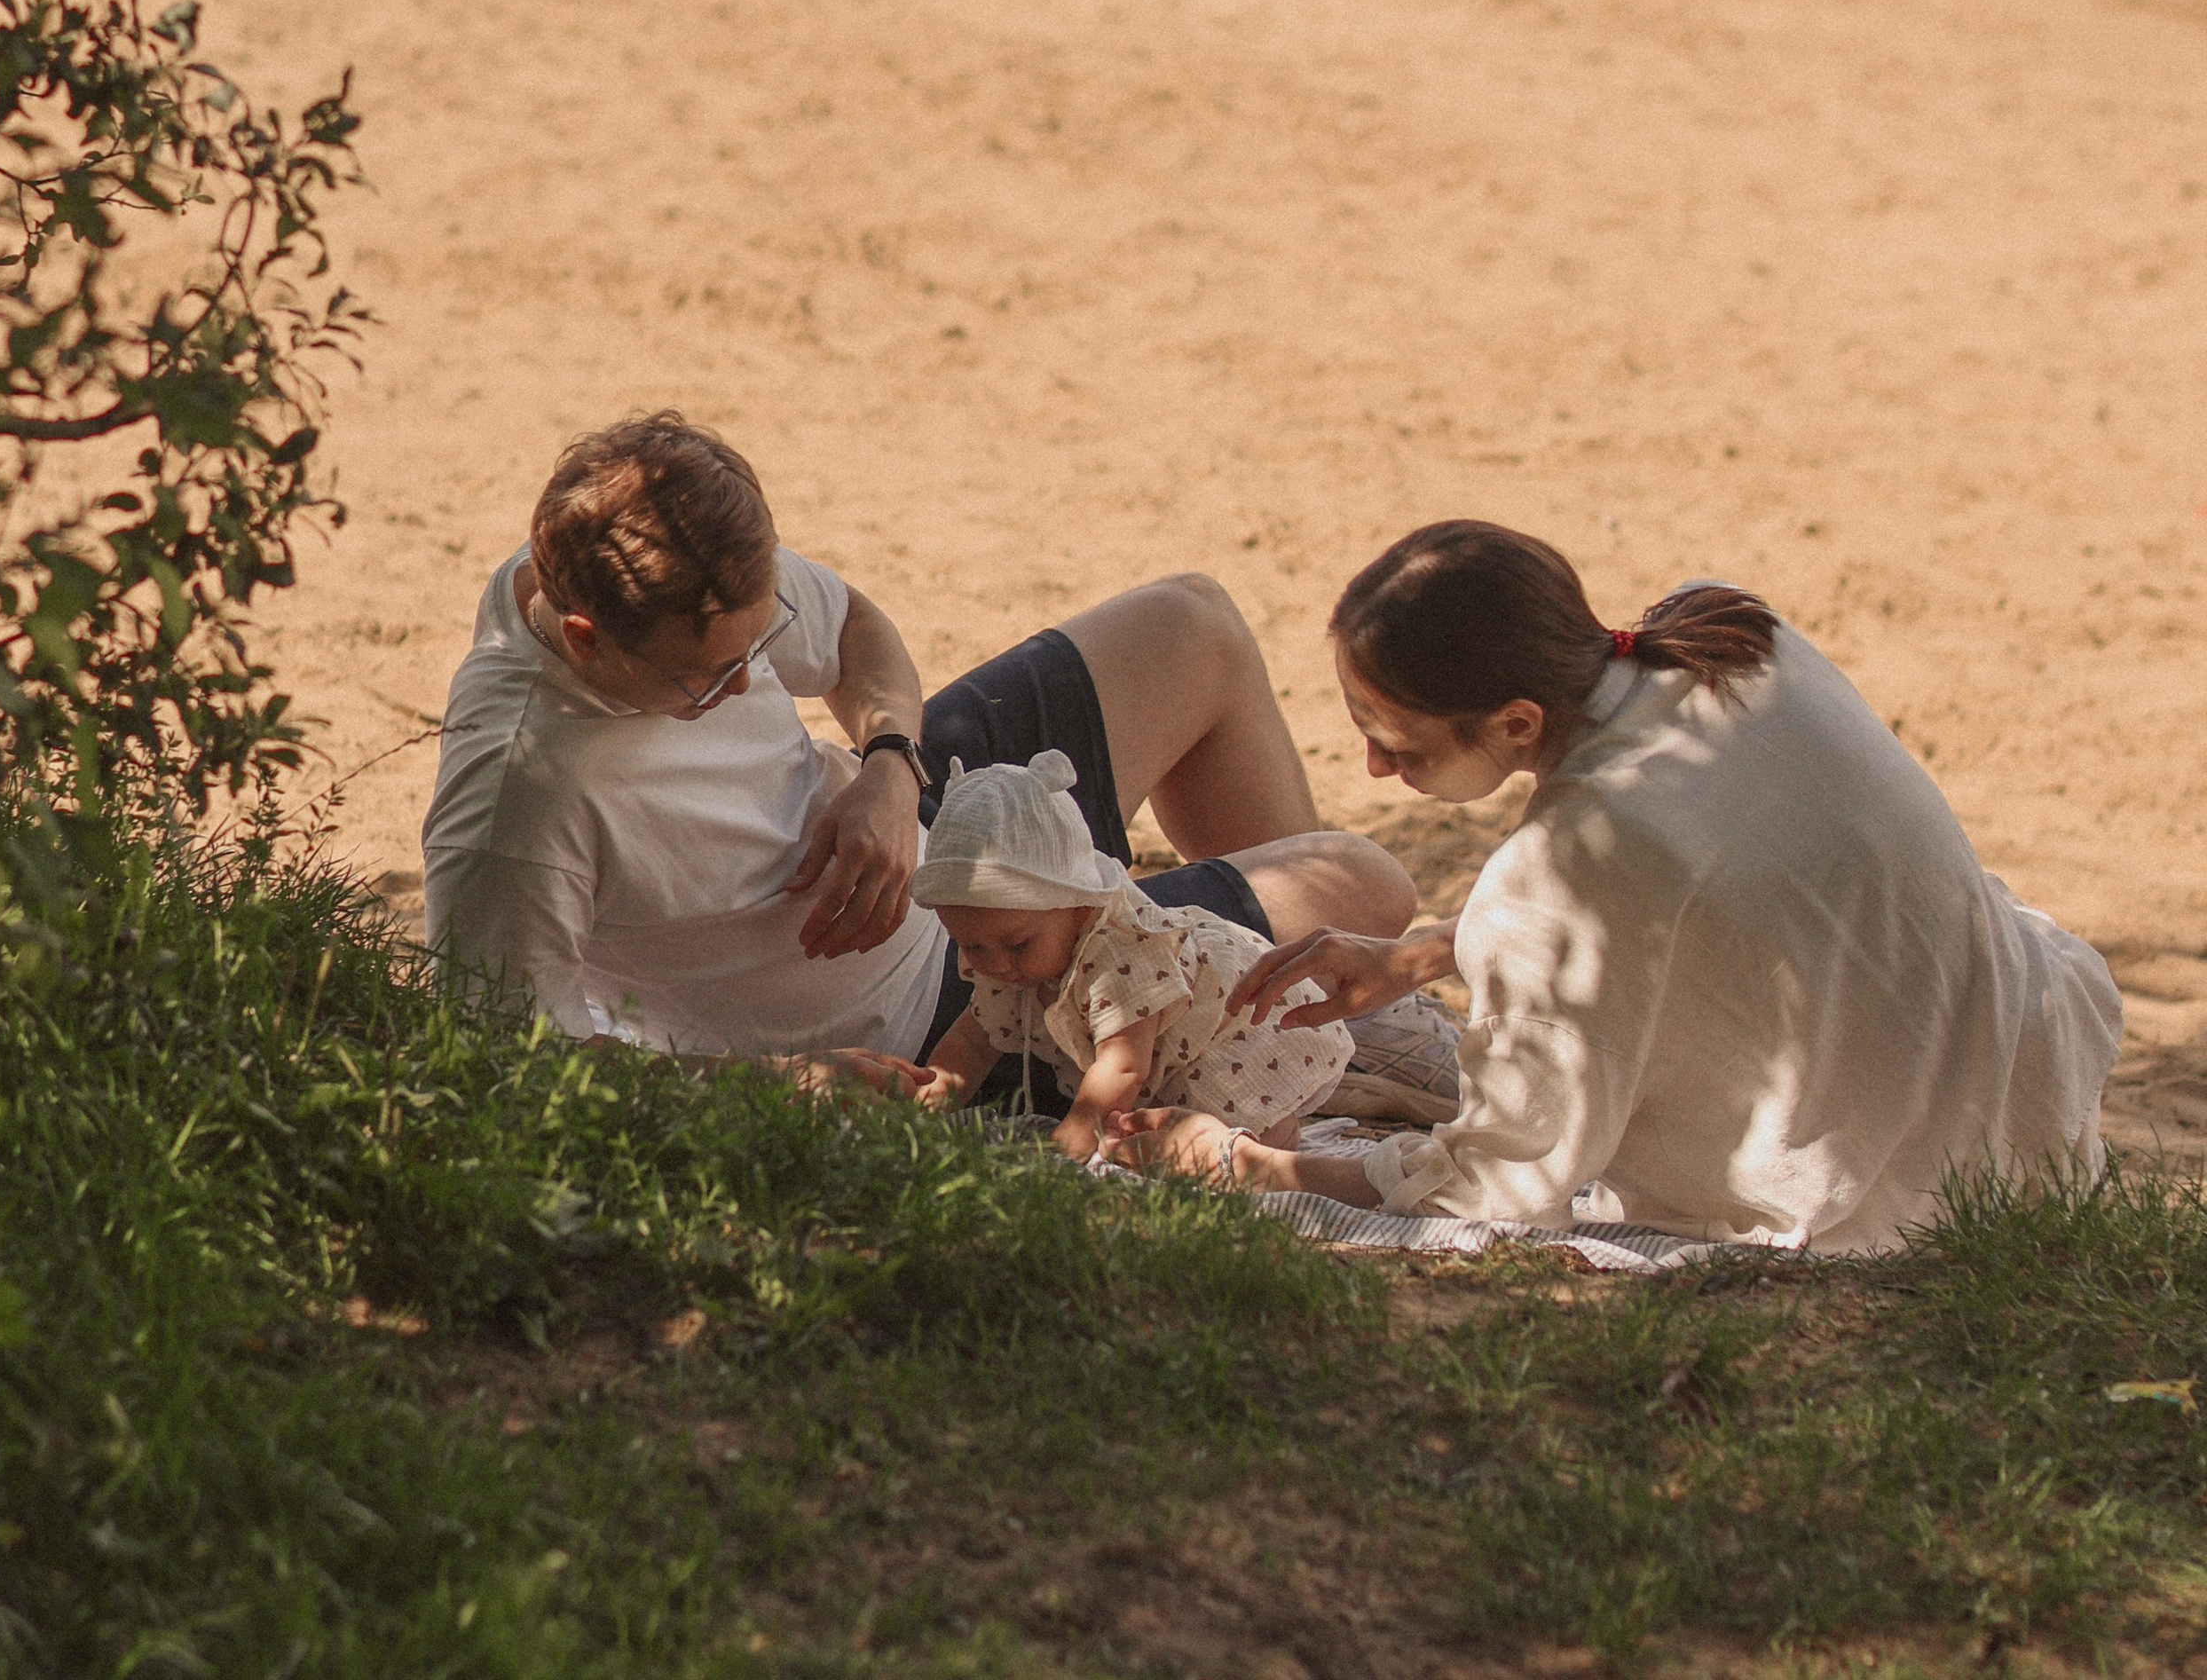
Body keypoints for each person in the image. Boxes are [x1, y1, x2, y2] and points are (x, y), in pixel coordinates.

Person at [1110, 523, 2123, 1254]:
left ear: (1514, 723)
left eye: (1400, 748)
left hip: (1909, 1198)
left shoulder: (1562, 872)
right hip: (2020, 1091)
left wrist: (1253, 1166)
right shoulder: (1730, 631)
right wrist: (1422, 955)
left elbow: (1494, 1188)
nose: (1376, 772)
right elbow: (1694, 890)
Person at [420, 410, 1415, 1070]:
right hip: (942, 1004)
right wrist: (783, 1082)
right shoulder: (520, 800)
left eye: (757, 651)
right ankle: (1304, 1022)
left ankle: (1304, 1016)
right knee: (1364, 884)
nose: (745, 686)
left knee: (1192, 625)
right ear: (583, 638)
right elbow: (505, 1055)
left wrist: (890, 767)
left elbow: (854, 627)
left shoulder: (646, 545)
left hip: (921, 824)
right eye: (710, 679)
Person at [908, 750, 1359, 1160]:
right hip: (1162, 1066)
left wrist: (1067, 1145)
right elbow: (973, 1041)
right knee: (1154, 1141)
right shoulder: (1007, 958)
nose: (995, 965)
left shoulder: (1121, 953)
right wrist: (926, 1102)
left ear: (1080, 907)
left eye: (1018, 944)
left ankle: (1276, 1142)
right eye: (972, 946)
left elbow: (1123, 1065)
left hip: (1230, 1031)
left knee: (1228, 1140)